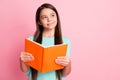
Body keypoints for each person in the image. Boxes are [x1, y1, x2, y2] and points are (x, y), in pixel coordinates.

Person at [20, 3, 71, 80]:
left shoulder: (65, 41)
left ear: (57, 17)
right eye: (44, 17)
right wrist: (22, 61)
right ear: (39, 22)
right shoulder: (31, 40)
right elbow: (26, 72)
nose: (49, 19)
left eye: (52, 15)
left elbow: (64, 74)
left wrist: (68, 64)